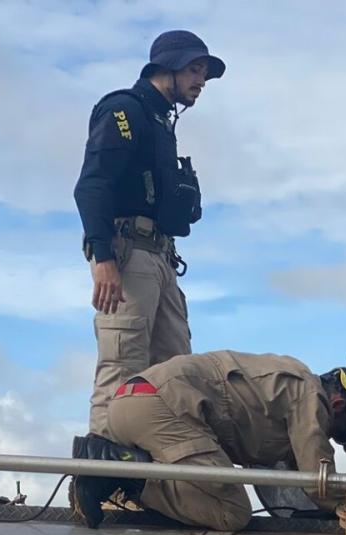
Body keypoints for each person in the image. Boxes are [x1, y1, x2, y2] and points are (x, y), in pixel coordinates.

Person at [73, 30, 225, 452]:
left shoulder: (161, 120)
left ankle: (158, 482)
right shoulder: (125, 110)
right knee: (122, 367)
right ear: (169, 66)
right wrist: (103, 257)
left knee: (177, 372)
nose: (201, 81)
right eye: (195, 70)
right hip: (128, 252)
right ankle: (101, 481)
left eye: (204, 74)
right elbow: (92, 186)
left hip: (160, 256)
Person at [71, 352, 346, 531]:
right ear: (338, 404)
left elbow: (292, 484)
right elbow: (318, 476)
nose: (330, 437)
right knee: (232, 512)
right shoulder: (310, 395)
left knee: (208, 489)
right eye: (340, 433)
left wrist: (325, 514)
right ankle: (115, 470)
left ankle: (114, 462)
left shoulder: (281, 393)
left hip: (130, 401)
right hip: (159, 406)